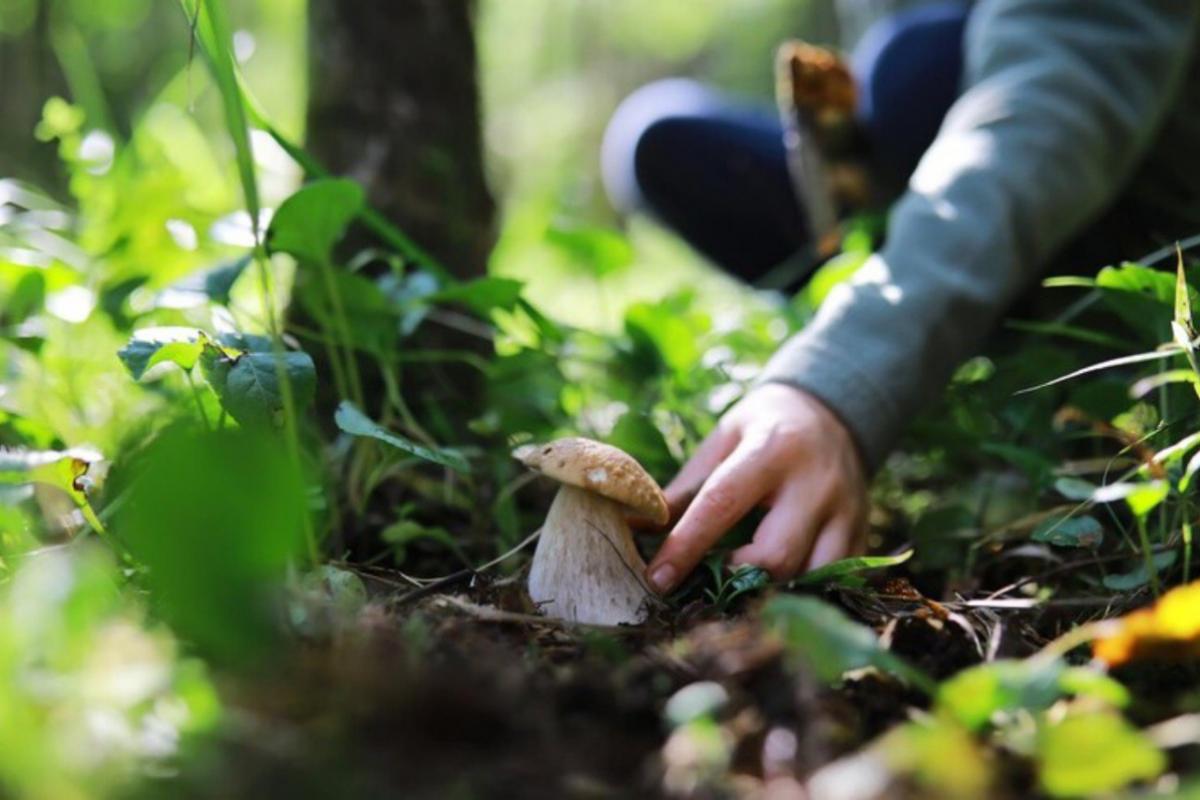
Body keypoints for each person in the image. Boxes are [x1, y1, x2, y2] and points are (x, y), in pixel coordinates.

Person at [600, 0, 1200, 595]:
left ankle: (972, 322)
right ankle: (891, 268)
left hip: (1107, 181)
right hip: (911, 179)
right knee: (658, 135)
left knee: (911, 63)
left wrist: (836, 385)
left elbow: (1055, 93)